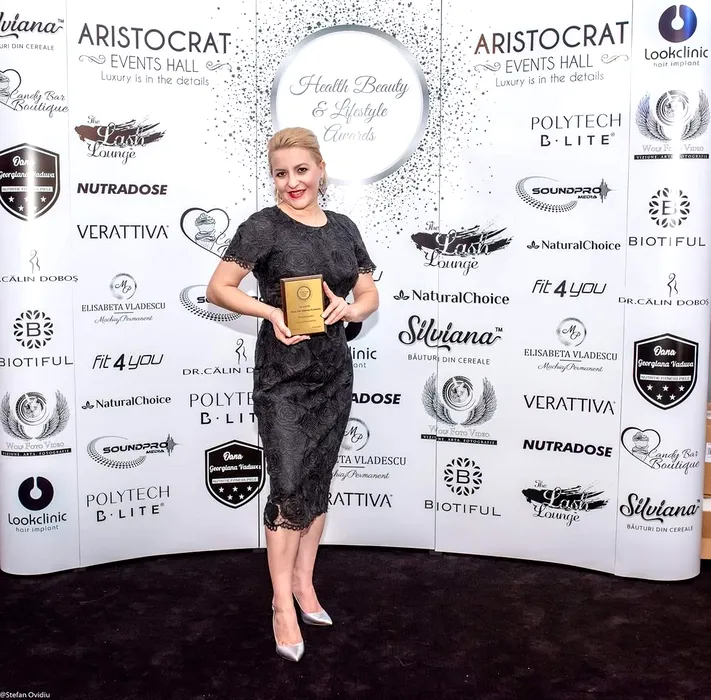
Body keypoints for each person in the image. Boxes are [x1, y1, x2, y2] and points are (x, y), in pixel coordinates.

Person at [206, 127, 379, 662]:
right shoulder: (262, 227)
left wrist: (353, 308)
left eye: (301, 170)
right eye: (281, 173)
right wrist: (270, 311)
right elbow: (219, 288)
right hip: (283, 377)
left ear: (321, 169)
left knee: (317, 479)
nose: (292, 182)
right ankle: (281, 603)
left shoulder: (344, 227)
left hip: (333, 373)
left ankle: (304, 583)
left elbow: (368, 290)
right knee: (287, 485)